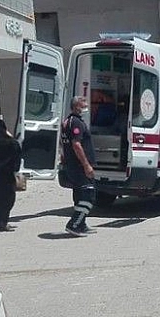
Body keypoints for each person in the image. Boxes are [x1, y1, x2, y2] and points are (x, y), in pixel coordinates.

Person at [61, 96, 97, 237]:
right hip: (79, 166)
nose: (86, 108)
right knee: (88, 195)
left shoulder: (67, 122)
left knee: (79, 194)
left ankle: (81, 224)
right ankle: (74, 224)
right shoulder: (76, 123)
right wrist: (86, 165)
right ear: (77, 106)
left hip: (72, 165)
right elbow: (76, 145)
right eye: (84, 105)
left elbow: (63, 142)